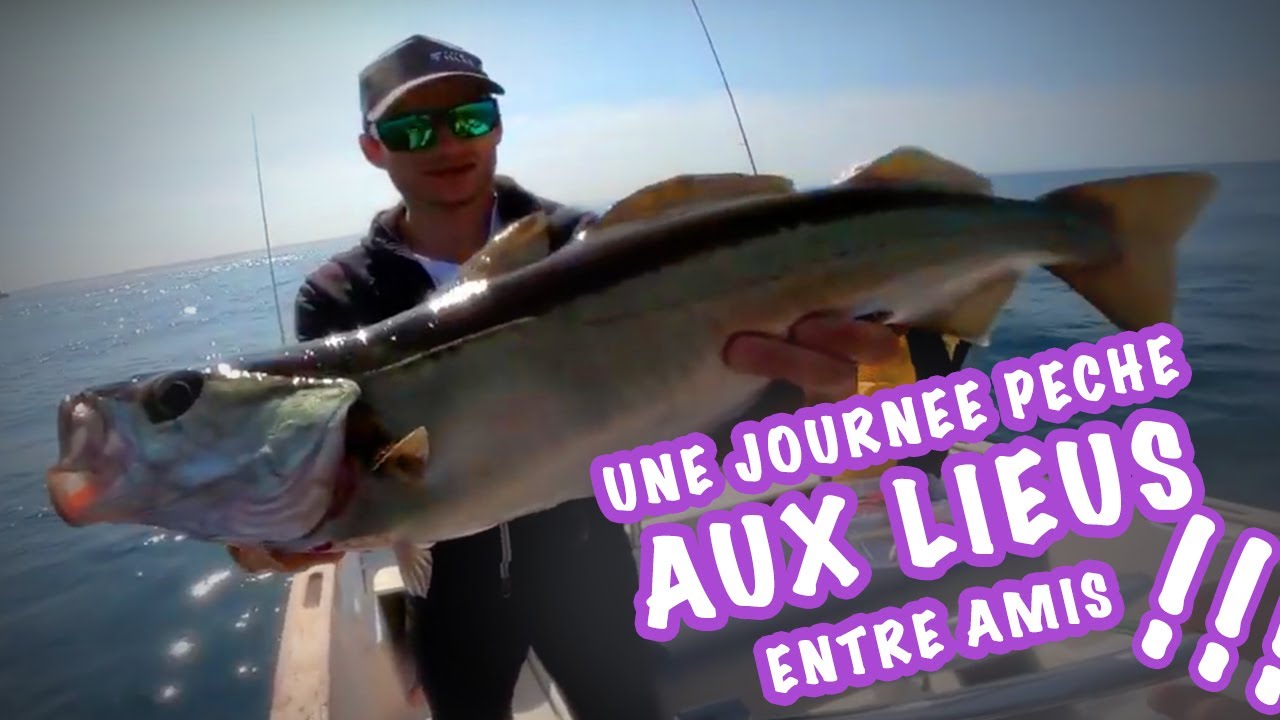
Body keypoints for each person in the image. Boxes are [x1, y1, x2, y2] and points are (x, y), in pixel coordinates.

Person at [232, 33, 904, 720]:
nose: (445, 142)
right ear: (374, 149)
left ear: (497, 126)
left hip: (589, 569)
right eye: (410, 128)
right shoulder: (339, 296)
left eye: (468, 118)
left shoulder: (587, 246)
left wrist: (800, 389)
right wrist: (288, 517)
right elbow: (356, 452)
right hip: (451, 595)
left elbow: (681, 397)